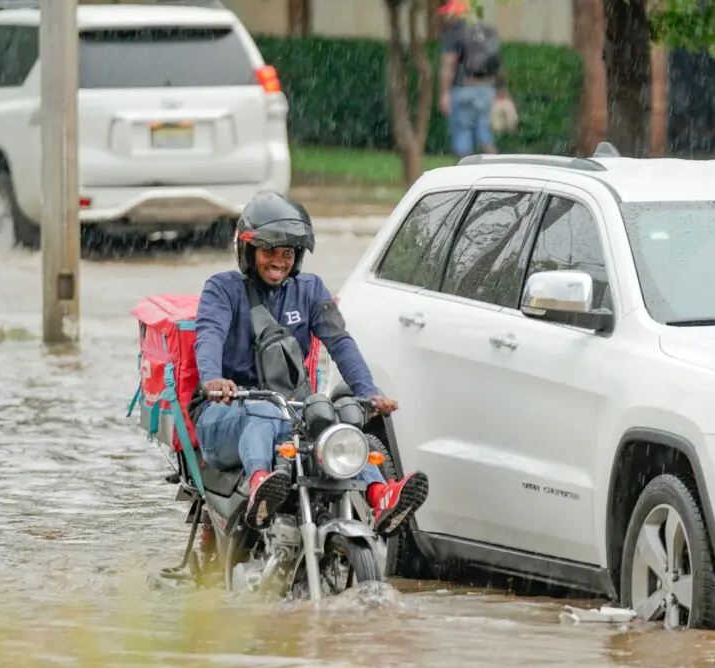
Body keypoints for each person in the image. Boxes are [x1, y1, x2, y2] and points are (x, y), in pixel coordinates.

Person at [191, 191, 429, 534]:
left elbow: (340, 342)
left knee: (334, 417)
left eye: (287, 253)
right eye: (269, 251)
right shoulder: (222, 288)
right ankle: (261, 484)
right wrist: (213, 379)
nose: (279, 261)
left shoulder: (311, 289)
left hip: (288, 410)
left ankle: (380, 494)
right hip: (225, 414)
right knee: (264, 411)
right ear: (248, 251)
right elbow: (209, 335)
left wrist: (368, 392)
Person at [437, 0, 503, 158]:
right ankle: (496, 170)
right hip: (486, 90)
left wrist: (444, 93)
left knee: (462, 135)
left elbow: (449, 64)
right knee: (485, 134)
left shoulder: (454, 32)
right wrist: (500, 90)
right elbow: (498, 65)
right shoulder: (483, 31)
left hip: (463, 90)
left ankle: (463, 176)